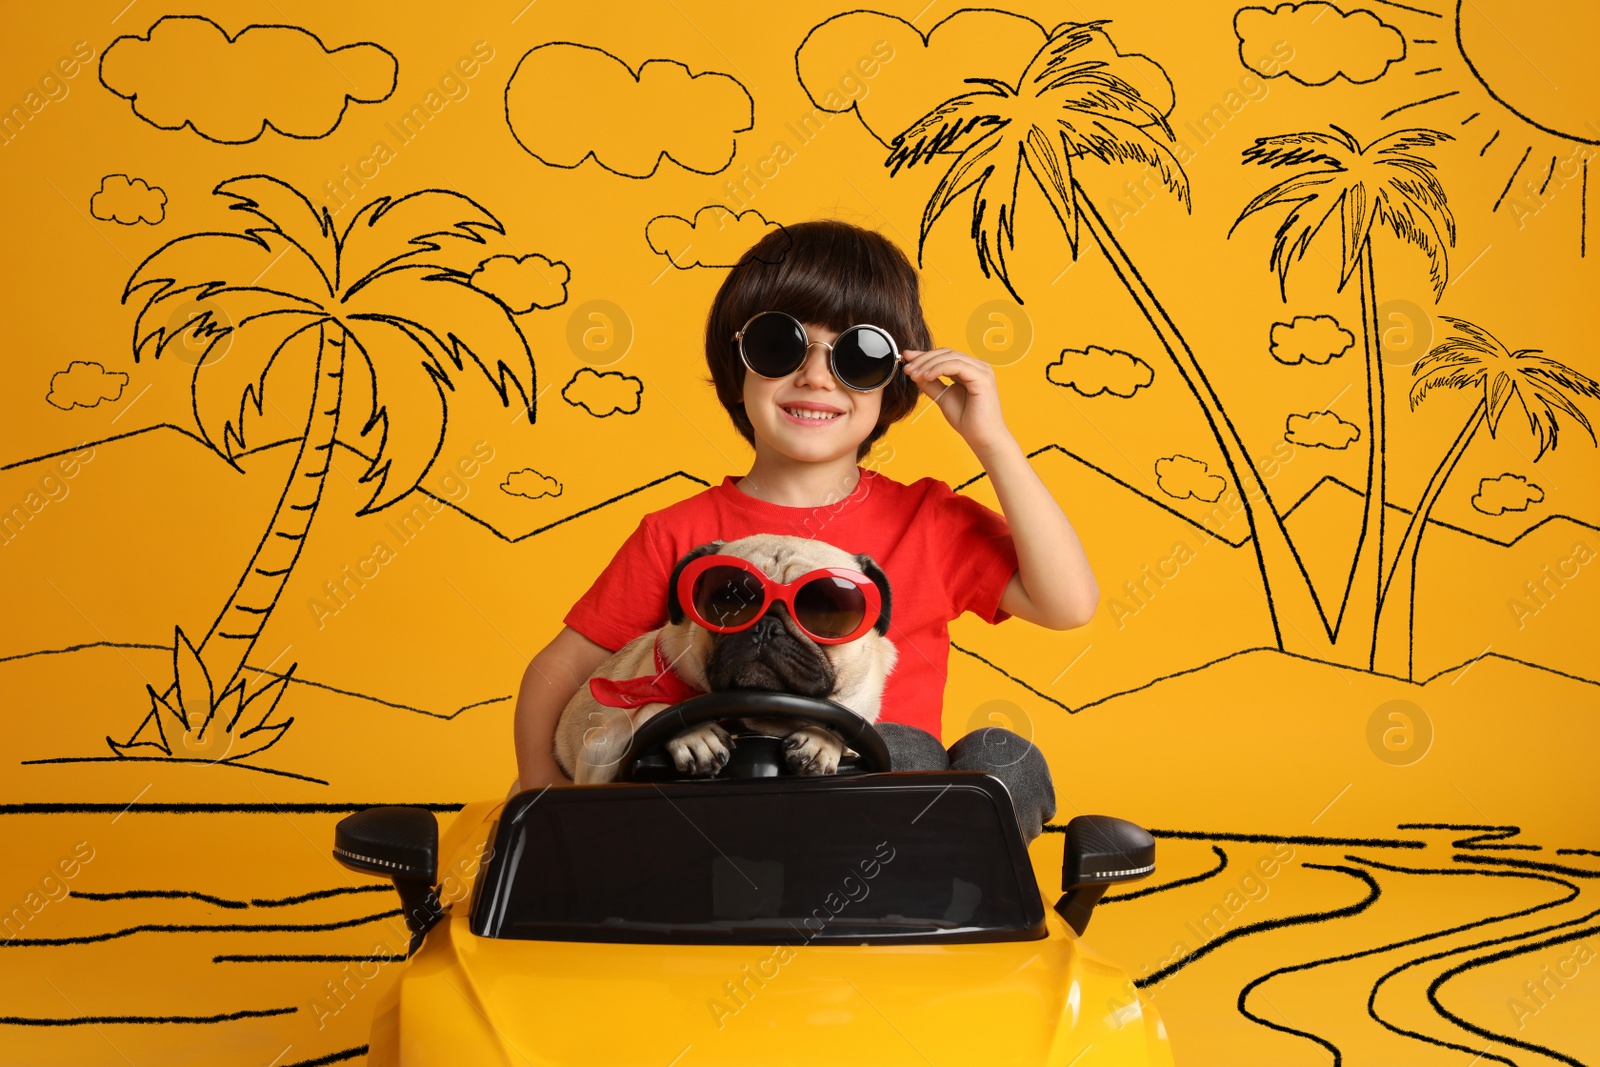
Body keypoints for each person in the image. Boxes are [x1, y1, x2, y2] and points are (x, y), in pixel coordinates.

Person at [513, 220, 1099, 843]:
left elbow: (1067, 604)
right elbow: (559, 671)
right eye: (778, 346)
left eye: (858, 355)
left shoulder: (929, 520)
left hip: (888, 816)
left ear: (895, 380)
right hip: (718, 821)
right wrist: (538, 801)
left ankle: (935, 879)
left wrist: (992, 441)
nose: (816, 377)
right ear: (736, 368)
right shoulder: (678, 533)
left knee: (976, 757)